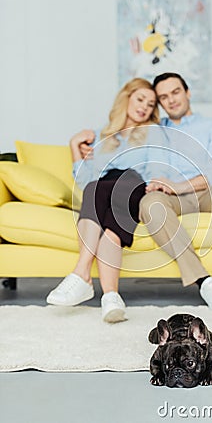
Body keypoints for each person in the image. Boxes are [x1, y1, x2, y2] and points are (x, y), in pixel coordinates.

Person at [46, 78, 168, 323]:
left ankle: (81, 275)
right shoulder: (105, 136)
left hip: (134, 184)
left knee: (121, 182)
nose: (144, 106)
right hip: (103, 189)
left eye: (151, 103)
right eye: (140, 99)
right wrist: (73, 146)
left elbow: (157, 168)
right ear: (127, 98)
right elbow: (86, 181)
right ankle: (111, 297)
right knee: (95, 188)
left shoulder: (154, 132)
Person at [139, 72, 212, 318]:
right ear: (159, 103)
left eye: (175, 92)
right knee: (148, 203)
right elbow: (153, 168)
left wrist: (178, 185)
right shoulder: (154, 132)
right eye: (164, 97)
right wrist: (156, 184)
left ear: (187, 93)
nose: (171, 100)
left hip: (208, 192)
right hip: (171, 198)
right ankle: (205, 282)